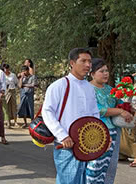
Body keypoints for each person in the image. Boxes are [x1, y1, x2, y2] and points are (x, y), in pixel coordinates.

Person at [42, 48, 100, 184]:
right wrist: (62, 135)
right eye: (83, 61)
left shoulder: (89, 87)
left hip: (86, 146)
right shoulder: (59, 85)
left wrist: (99, 135)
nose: (88, 65)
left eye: (90, 62)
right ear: (72, 63)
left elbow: (94, 114)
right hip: (66, 146)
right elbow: (47, 112)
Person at [86, 58, 134, 183]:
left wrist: (129, 108)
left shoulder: (110, 89)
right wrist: (120, 111)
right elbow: (97, 109)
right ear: (92, 74)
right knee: (96, 165)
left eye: (107, 70)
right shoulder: (87, 89)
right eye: (101, 71)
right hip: (97, 132)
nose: (106, 73)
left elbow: (119, 103)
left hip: (114, 131)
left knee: (110, 166)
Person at [2, 63, 18, 128]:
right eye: (4, 69)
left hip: (12, 91)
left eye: (6, 69)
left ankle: (15, 121)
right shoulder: (2, 75)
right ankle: (8, 121)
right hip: (6, 92)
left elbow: (16, 82)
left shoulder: (13, 75)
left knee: (14, 106)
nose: (5, 70)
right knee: (7, 107)